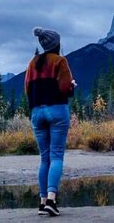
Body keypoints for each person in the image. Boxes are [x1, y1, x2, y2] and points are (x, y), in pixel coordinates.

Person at [25, 27, 77, 216]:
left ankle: (41, 203)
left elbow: (27, 90)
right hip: (57, 110)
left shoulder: (32, 63)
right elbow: (64, 88)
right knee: (56, 157)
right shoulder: (60, 61)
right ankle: (51, 200)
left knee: (44, 158)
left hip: (37, 112)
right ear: (57, 44)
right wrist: (72, 87)